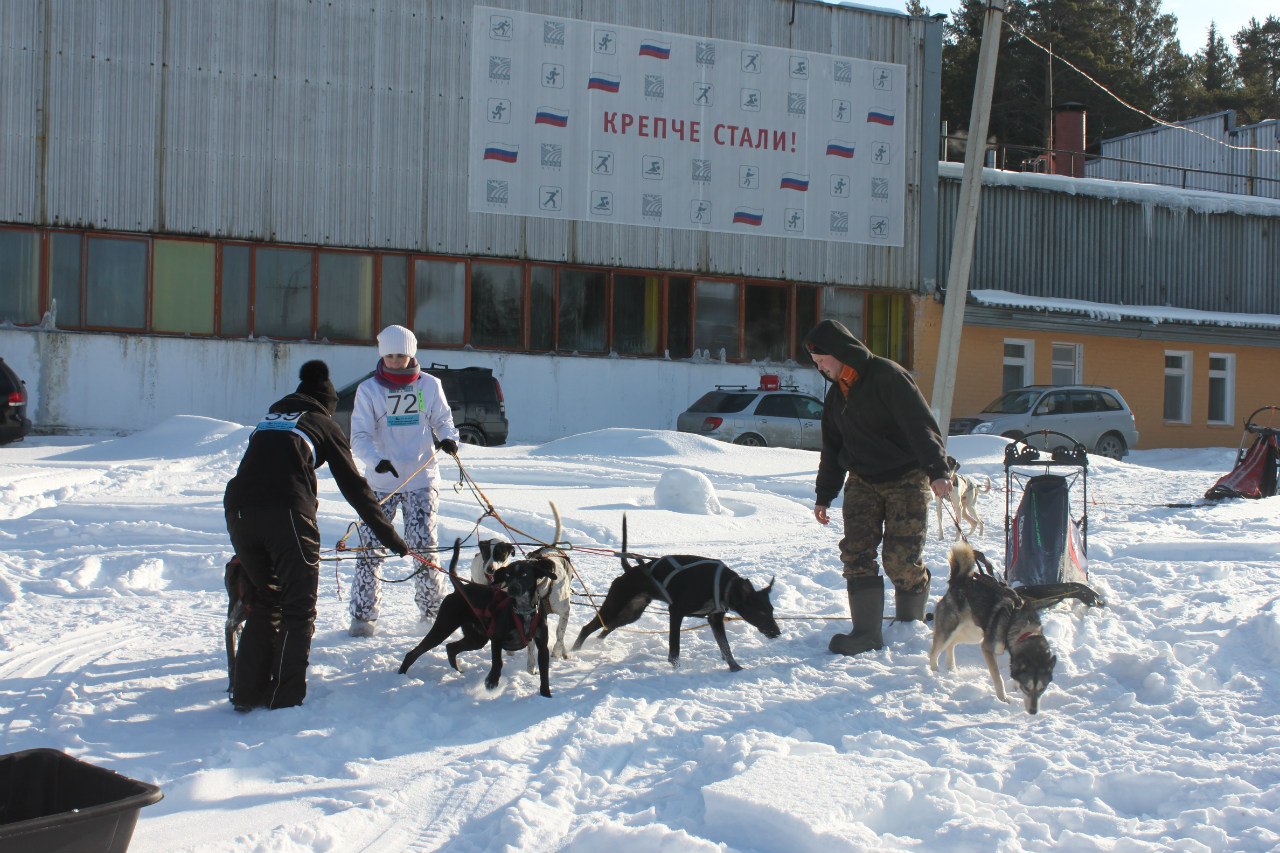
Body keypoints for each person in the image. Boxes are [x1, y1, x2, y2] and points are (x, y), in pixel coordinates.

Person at [225, 360, 408, 711]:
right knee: (298, 607)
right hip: (287, 511)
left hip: (238, 511)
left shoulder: (268, 420)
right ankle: (284, 698)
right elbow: (356, 488)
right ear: (327, 404)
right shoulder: (322, 423)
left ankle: (246, 694)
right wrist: (393, 541)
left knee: (267, 598)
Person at [804, 319, 952, 656]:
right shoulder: (835, 395)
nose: (820, 367)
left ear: (840, 352)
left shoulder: (887, 376)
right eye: (816, 363)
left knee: (900, 559)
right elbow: (831, 447)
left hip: (906, 477)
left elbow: (921, 426)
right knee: (856, 553)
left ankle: (909, 625)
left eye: (822, 359)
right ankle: (866, 633)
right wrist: (824, 495)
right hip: (862, 480)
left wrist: (937, 471)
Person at [347, 324, 460, 636]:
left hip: (421, 479)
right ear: (383, 355)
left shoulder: (430, 385)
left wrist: (449, 438)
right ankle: (362, 617)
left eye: (402, 355)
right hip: (381, 483)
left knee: (424, 548)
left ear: (412, 354)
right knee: (369, 549)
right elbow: (359, 436)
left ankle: (434, 614)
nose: (396, 361)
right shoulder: (369, 390)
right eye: (391, 355)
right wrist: (376, 460)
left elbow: (443, 420)